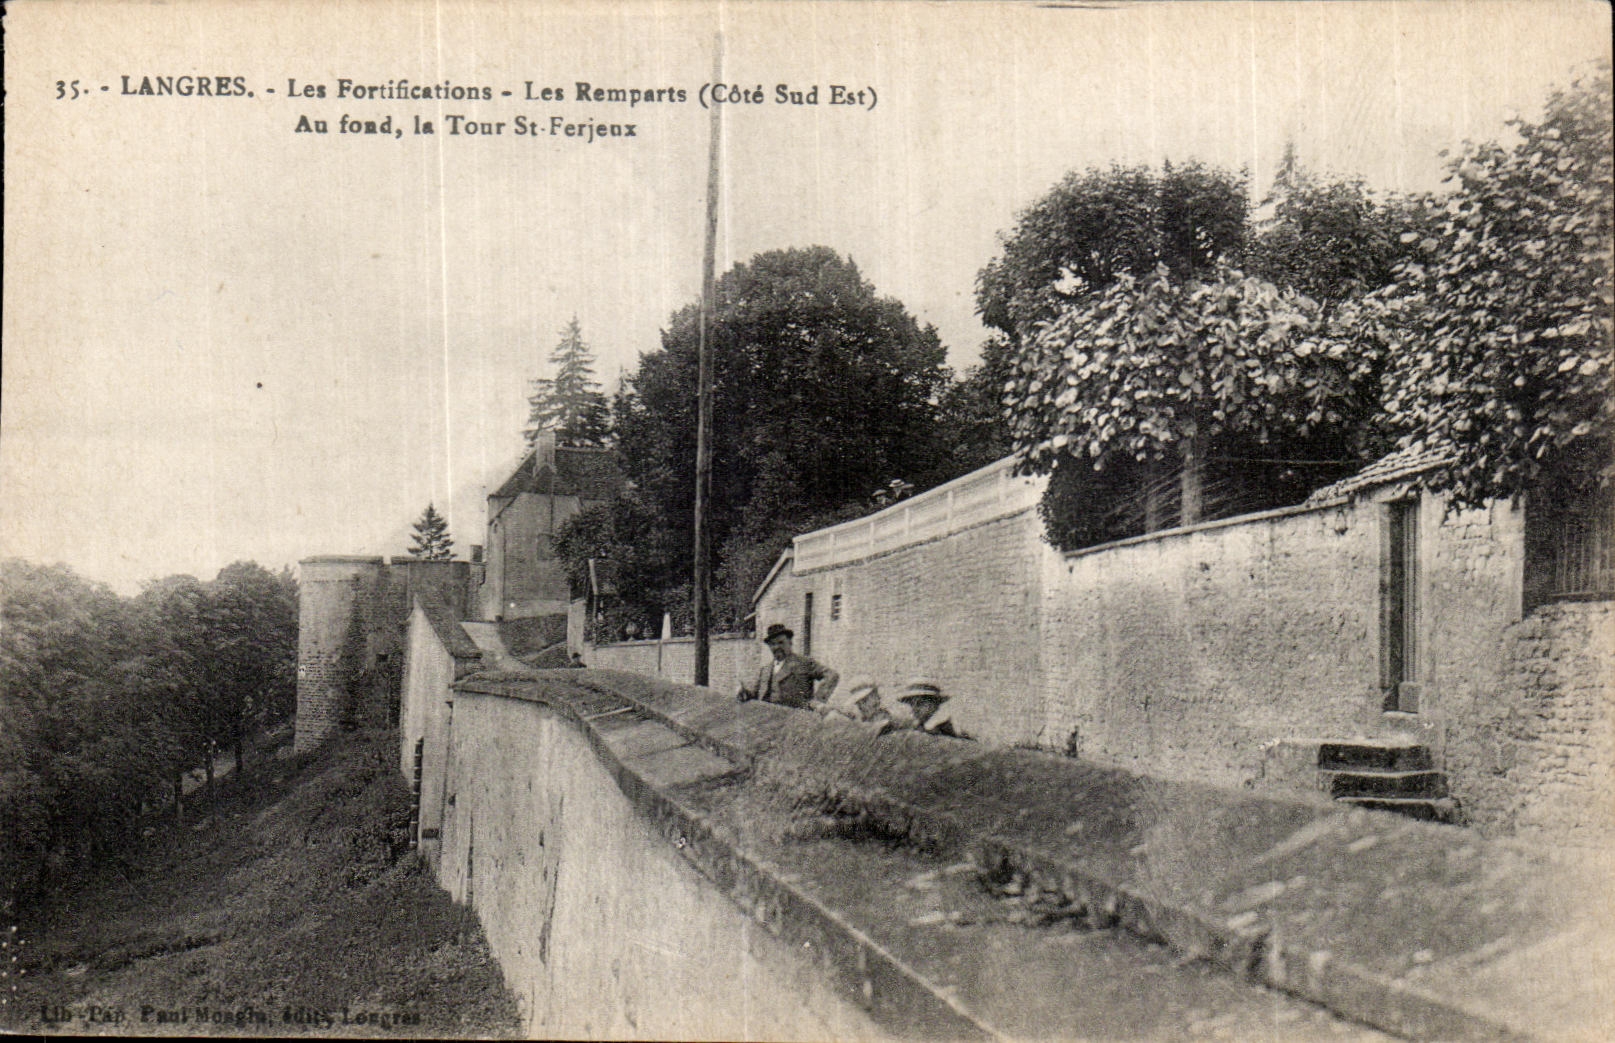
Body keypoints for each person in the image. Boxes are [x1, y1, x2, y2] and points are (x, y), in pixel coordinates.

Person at [736, 623, 839, 711]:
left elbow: (832, 675)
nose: (776, 647)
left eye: (781, 642)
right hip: (766, 721)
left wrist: (817, 702)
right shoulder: (765, 670)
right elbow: (755, 695)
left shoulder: (803, 662)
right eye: (772, 644)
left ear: (790, 642)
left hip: (794, 720)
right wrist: (744, 693)